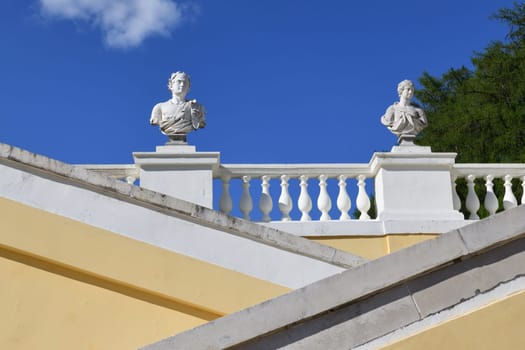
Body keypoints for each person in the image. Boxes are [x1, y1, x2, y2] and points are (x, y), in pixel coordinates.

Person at [150, 71, 206, 143]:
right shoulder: (159, 107)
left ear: (189, 87)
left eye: (185, 82)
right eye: (179, 81)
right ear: (171, 85)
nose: (182, 84)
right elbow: (155, 121)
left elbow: (201, 123)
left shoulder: (197, 108)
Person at [381, 79, 427, 144]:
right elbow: (387, 122)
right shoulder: (392, 109)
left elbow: (424, 123)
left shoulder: (419, 111)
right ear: (401, 91)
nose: (410, 92)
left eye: (412, 90)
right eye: (408, 89)